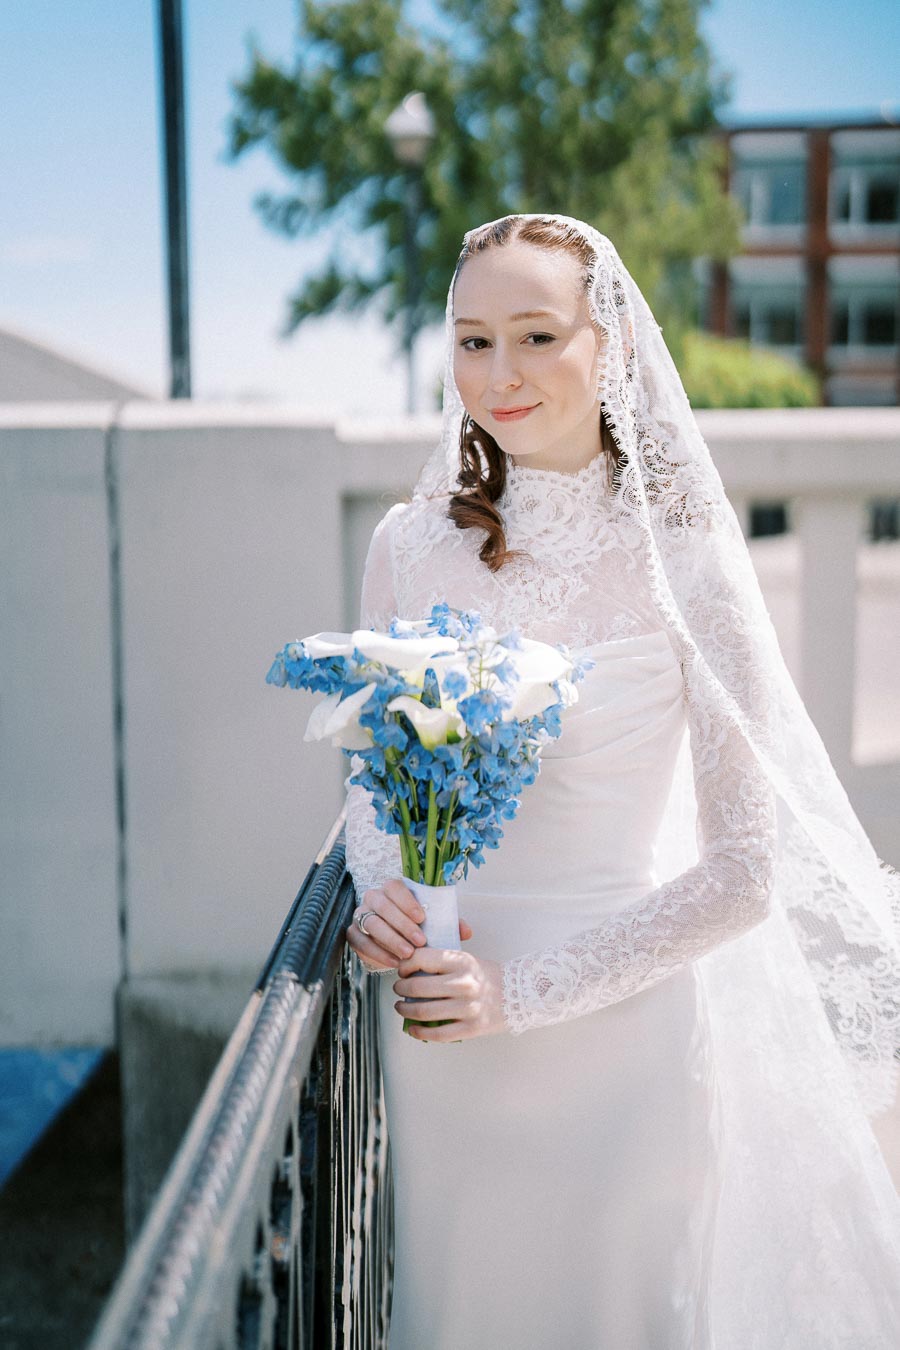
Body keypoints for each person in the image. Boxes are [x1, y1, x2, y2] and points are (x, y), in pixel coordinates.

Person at [343, 214, 900, 1348]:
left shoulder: (686, 559)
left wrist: (524, 995)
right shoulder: (407, 546)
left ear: (611, 347)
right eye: (472, 339)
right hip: (440, 1042)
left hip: (621, 1052)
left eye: (537, 335)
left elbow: (748, 875)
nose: (499, 374)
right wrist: (376, 887)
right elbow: (371, 782)